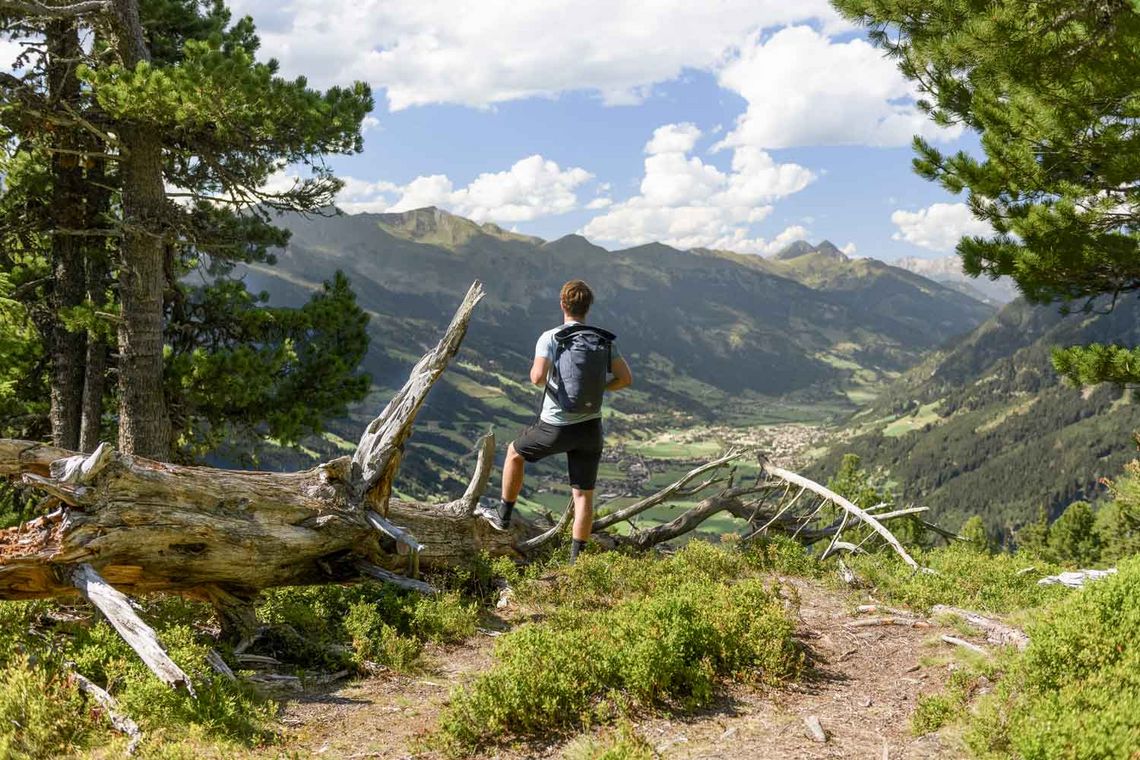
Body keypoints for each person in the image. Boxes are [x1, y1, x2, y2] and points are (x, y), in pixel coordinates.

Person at [484, 280, 633, 563]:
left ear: (562, 304)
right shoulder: (603, 340)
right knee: (583, 496)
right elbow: (625, 379)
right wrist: (598, 388)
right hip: (591, 428)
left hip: (556, 426)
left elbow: (538, 377)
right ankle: (577, 563)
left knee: (514, 453)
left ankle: (503, 517)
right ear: (588, 307)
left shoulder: (552, 337)